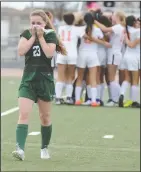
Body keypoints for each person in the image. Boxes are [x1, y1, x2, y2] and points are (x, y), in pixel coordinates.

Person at [12, 10, 66, 161]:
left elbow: (49, 53)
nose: (35, 25)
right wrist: (34, 36)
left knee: (45, 117)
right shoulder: (26, 34)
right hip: (28, 80)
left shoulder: (50, 35)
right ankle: (20, 149)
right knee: (23, 114)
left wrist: (41, 37)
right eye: (33, 23)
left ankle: (44, 148)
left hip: (45, 81)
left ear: (45, 23)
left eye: (39, 23)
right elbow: (21, 51)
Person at [75, 12, 111, 106]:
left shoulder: (81, 29)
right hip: (93, 55)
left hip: (82, 54)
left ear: (85, 20)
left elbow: (83, 37)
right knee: (93, 78)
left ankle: (77, 100)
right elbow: (102, 39)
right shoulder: (98, 30)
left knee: (80, 77)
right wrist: (103, 43)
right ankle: (94, 101)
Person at [94, 11, 126, 106]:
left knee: (111, 78)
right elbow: (109, 35)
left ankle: (115, 99)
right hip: (115, 53)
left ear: (117, 17)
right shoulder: (121, 27)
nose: (111, 18)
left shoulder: (118, 27)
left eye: (113, 16)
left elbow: (104, 29)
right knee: (110, 77)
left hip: (113, 53)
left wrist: (95, 21)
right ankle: (116, 98)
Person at [55, 13, 84, 105]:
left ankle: (58, 98)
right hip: (72, 54)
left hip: (62, 54)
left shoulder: (60, 28)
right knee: (69, 77)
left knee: (60, 77)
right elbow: (84, 32)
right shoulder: (78, 29)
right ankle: (68, 98)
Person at [119, 16, 140, 108]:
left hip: (126, 56)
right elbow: (132, 45)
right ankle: (134, 101)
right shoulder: (137, 31)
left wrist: (126, 40)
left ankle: (122, 94)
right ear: (134, 22)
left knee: (127, 78)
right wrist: (128, 41)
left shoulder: (125, 30)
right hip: (135, 57)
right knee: (135, 80)